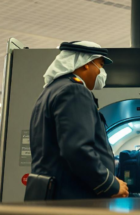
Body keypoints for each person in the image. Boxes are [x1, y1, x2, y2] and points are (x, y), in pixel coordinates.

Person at [26, 41, 129, 200]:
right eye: (100, 65)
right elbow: (77, 149)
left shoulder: (50, 91)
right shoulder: (74, 91)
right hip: (70, 196)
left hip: (52, 192)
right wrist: (110, 184)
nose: (101, 72)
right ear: (86, 64)